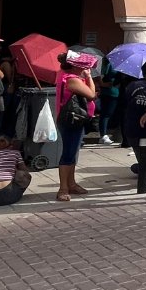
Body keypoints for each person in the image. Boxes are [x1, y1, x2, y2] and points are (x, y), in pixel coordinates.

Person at [53, 51, 97, 202]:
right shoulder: (72, 80)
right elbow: (91, 94)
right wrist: (89, 77)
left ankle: (71, 184)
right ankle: (63, 188)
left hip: (74, 120)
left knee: (72, 153)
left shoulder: (65, 75)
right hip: (71, 120)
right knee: (68, 154)